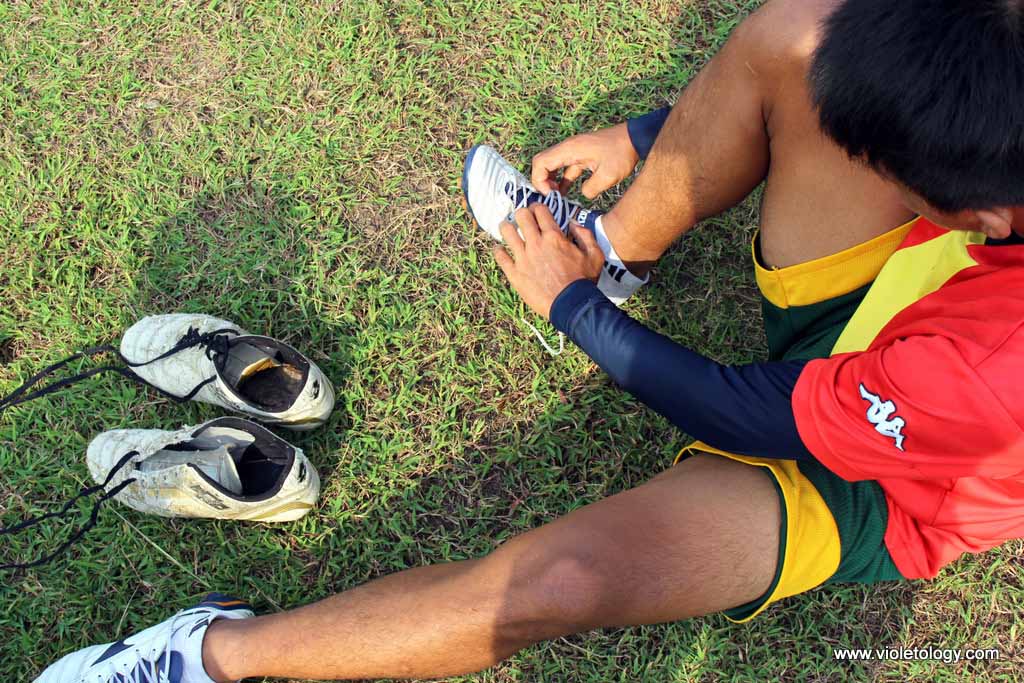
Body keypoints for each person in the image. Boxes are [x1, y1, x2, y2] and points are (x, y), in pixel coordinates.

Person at [35, 0, 1024, 680]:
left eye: (896, 169)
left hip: (878, 479)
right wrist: (651, 136)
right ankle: (611, 249)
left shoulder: (994, 368)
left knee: (562, 581)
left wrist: (574, 310)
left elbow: (759, 416)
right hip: (906, 313)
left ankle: (206, 653)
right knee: (798, 36)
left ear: (983, 214)